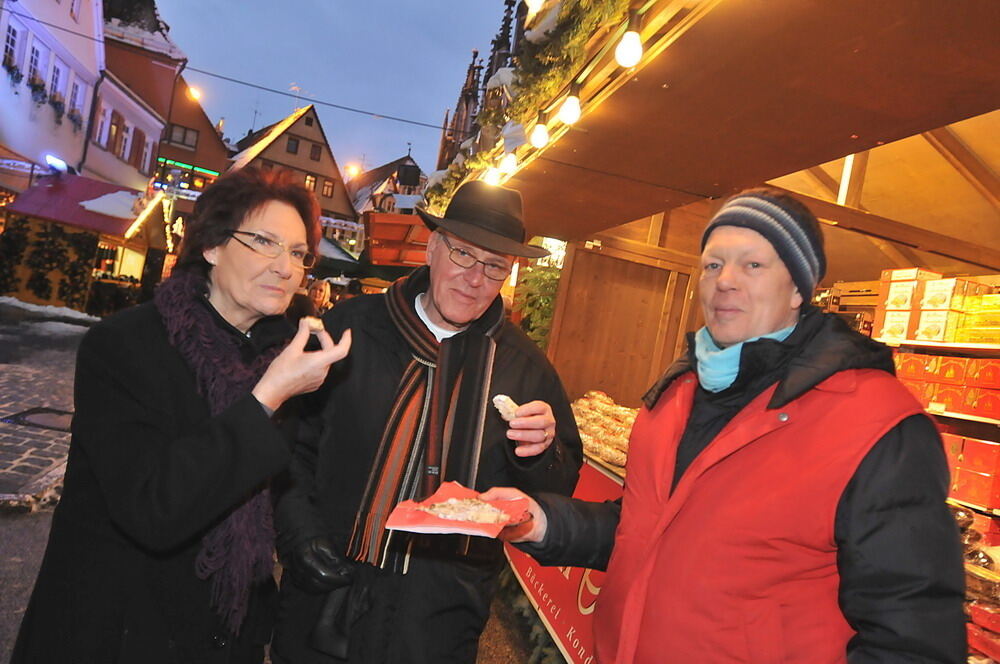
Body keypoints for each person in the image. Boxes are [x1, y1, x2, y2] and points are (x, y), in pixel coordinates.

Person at [485, 188, 966, 663]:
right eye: (713, 264)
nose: (725, 281)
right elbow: (642, 533)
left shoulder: (877, 423)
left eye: (753, 265)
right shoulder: (676, 397)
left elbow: (913, 637)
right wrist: (541, 520)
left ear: (800, 287)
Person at [12, 168, 352, 664]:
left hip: (226, 634)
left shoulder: (283, 356)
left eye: (299, 253)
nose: (286, 267)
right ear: (212, 247)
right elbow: (152, 508)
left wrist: (304, 535)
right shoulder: (125, 347)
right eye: (265, 242)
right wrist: (264, 400)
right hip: (119, 631)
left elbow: (281, 482)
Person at [271, 181, 583, 664]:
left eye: (495, 265)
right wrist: (299, 532)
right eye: (462, 254)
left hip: (437, 622)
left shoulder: (528, 370)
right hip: (326, 594)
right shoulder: (352, 330)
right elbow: (289, 444)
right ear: (433, 247)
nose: (475, 277)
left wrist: (543, 454)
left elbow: (557, 488)